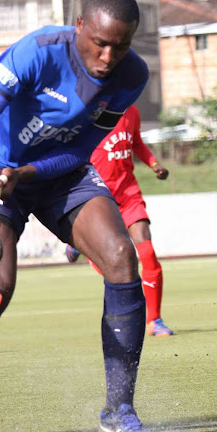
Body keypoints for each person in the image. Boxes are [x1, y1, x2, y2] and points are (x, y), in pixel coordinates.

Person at [0, 0, 162, 432]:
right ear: (79, 25)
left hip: (59, 172)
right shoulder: (39, 51)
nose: (107, 57)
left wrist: (30, 172)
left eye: (119, 46)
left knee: (122, 256)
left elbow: (83, 149)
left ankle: (118, 417)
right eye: (99, 43)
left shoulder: (132, 75)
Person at [65, 106, 174, 337]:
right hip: (99, 196)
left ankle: (154, 320)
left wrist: (155, 164)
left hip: (129, 194)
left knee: (147, 252)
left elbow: (136, 144)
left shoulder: (132, 111)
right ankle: (80, 243)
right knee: (116, 262)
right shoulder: (88, 111)